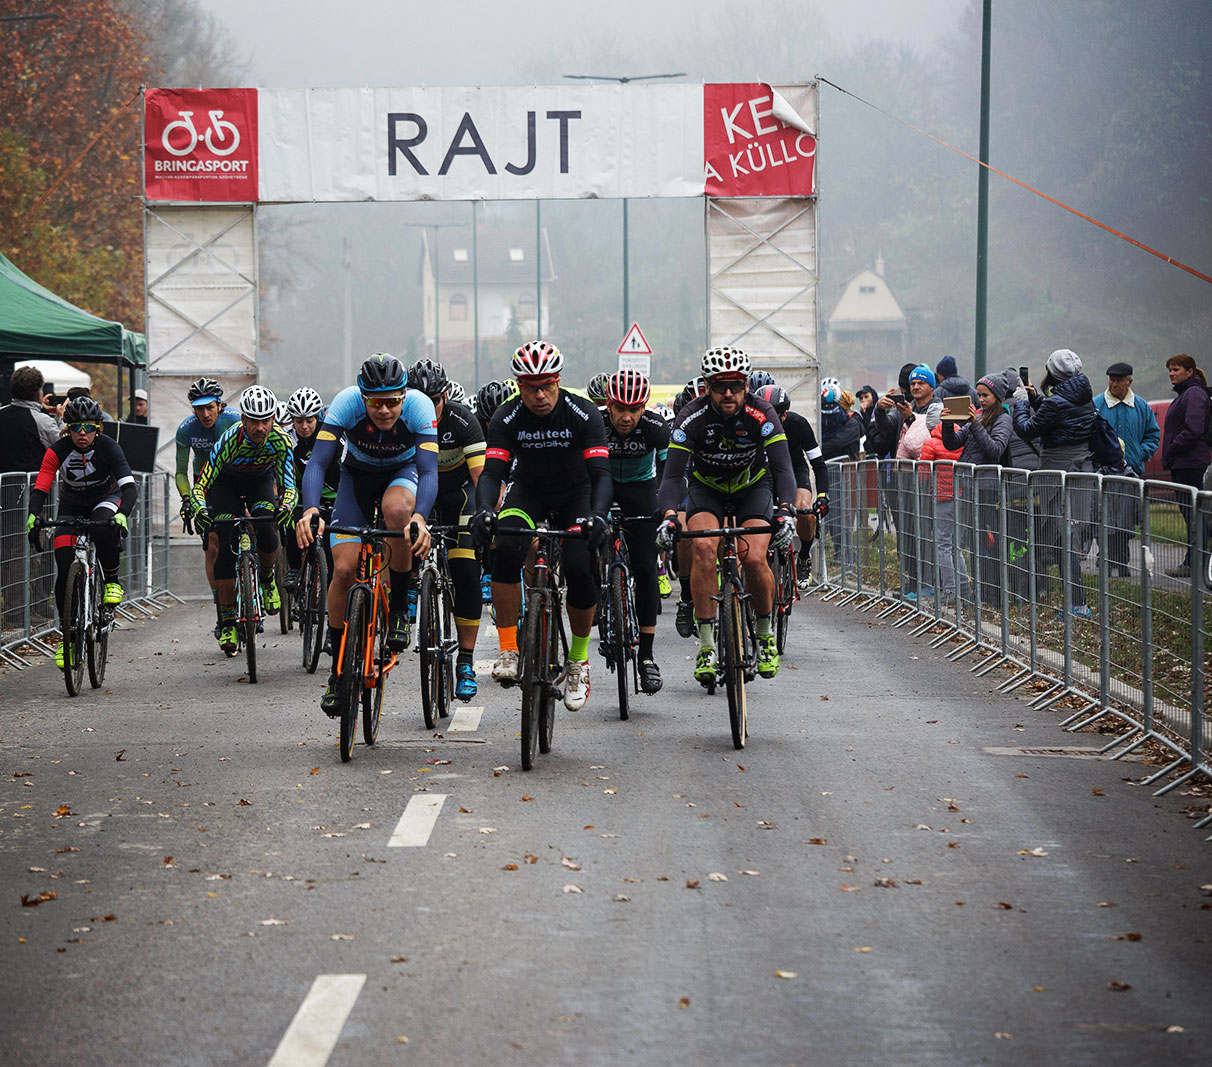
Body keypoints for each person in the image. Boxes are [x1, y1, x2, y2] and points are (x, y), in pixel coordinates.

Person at [470, 341, 611, 712]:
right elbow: (492, 473)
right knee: (507, 547)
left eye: (546, 384)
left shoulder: (582, 412)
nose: (539, 394)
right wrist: (484, 509)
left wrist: (598, 514)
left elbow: (600, 474)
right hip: (529, 491)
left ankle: (578, 661)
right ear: (518, 385)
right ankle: (508, 649)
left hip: (575, 495)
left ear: (558, 381)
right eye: (530, 386)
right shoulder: (507, 416)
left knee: (581, 567)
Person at [295, 354, 438, 715]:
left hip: (402, 472)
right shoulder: (345, 404)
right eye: (376, 402)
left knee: (398, 513)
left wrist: (420, 517)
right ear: (363, 397)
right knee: (343, 570)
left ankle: (402, 605)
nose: (385, 410)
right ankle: (337, 670)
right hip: (356, 476)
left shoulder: (419, 408)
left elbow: (429, 471)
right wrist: (310, 509)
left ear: (404, 396)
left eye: (393, 401)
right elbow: (318, 462)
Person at [656, 346, 797, 682]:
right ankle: (706, 646)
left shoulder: (762, 413)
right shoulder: (691, 416)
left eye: (735, 385)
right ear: (708, 387)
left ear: (746, 385)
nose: (729, 393)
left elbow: (783, 467)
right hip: (708, 490)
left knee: (753, 557)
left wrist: (787, 510)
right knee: (704, 549)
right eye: (720, 386)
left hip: (753, 488)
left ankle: (764, 635)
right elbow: (673, 476)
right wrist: (669, 514)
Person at [25, 397, 136, 667]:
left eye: (87, 427)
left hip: (105, 498)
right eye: (76, 427)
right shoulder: (58, 450)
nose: (82, 433)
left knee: (103, 526)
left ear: (97, 427)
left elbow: (130, 487)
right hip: (72, 505)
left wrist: (122, 514)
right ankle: (68, 638)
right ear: (68, 429)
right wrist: (33, 515)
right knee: (64, 567)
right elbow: (41, 486)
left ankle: (111, 580)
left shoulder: (109, 447)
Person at [191, 385, 297, 654]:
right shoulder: (228, 440)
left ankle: (266, 577)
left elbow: (289, 484)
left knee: (266, 526)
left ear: (273, 419)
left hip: (259, 481)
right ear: (243, 420)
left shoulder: (282, 440)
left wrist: (286, 504)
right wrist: (200, 509)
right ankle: (227, 621)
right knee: (226, 544)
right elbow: (202, 485)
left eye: (265, 421)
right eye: (253, 421)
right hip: (226, 484)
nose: (259, 427)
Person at [409, 358, 486, 701]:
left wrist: (486, 515)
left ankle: (466, 662)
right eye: (421, 400)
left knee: (466, 568)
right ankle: (410, 588)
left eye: (435, 400)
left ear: (445, 397)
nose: (430, 408)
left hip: (458, 496)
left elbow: (481, 478)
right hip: (416, 494)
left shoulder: (462, 420)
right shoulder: (402, 421)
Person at [1012, 349, 1096, 615]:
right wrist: (1038, 400)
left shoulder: (1057, 403)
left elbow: (1026, 429)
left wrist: (1022, 403)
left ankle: (1077, 603)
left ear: (1053, 373)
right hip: (1079, 468)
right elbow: (1059, 421)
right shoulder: (1082, 396)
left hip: (1058, 472)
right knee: (1063, 539)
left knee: (1063, 540)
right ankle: (1074, 600)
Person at [602, 368, 669, 694]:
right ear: (609, 406)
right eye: (620, 409)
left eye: (634, 410)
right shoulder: (595, 423)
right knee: (584, 549)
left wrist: (668, 508)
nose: (627, 417)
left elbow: (670, 471)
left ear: (643, 408)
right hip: (601, 486)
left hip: (642, 491)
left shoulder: (656, 426)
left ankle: (646, 656)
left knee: (645, 567)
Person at [174, 378, 241, 636]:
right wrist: (187, 498)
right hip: (207, 485)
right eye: (198, 408)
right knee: (213, 545)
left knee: (251, 528)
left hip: (238, 479)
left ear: (220, 405)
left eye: (210, 407)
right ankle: (220, 606)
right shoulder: (186, 430)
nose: (204, 414)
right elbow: (180, 472)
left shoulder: (234, 420)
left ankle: (252, 576)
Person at [942, 371, 1014, 606]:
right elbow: (952, 443)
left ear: (998, 396)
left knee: (989, 544)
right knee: (974, 543)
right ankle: (981, 592)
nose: (980, 399)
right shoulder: (980, 416)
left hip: (988, 489)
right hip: (969, 486)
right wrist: (948, 423)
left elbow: (995, 450)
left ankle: (993, 594)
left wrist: (974, 424)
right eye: (979, 394)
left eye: (985, 395)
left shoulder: (1003, 419)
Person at [1, 366, 64, 630]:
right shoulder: (40, 420)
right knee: (27, 551)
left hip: (4, 494)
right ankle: (19, 614)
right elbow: (61, 444)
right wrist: (60, 418)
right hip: (30, 497)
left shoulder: (2, 414)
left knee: (9, 550)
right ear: (40, 393)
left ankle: (25, 609)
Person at [754, 384, 828, 586]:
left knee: (805, 511)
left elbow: (819, 465)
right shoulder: (750, 423)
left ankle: (804, 554)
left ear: (784, 415)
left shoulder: (798, 424)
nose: (767, 419)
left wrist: (822, 496)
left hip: (794, 471)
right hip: (764, 473)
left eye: (774, 415)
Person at [1094, 362, 1160, 576]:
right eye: (1111, 380)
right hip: (1104, 474)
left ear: (1129, 382)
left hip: (1131, 473)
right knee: (1103, 519)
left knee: (1125, 521)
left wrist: (1141, 452)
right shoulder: (1097, 405)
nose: (1114, 384)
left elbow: (1153, 435)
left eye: (1119, 380)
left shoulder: (1141, 406)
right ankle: (1104, 561)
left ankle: (1121, 564)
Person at [281, 386, 339, 591]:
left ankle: (331, 584)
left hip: (333, 494)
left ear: (318, 417)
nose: (304, 426)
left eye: (309, 420)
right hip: (302, 495)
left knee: (332, 549)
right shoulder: (287, 438)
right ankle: (295, 568)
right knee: (290, 519)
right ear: (292, 420)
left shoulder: (331, 434)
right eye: (298, 421)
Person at [1160, 353, 1211, 578]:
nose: (1172, 373)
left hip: (1191, 463)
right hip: (1183, 463)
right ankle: (1194, 561)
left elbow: (1194, 429)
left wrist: (1172, 447)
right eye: (1170, 369)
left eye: (1176, 369)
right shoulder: (1185, 394)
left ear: (1190, 371)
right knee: (1190, 514)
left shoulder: (1194, 394)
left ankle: (1195, 563)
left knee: (1195, 515)